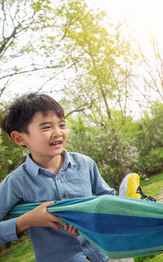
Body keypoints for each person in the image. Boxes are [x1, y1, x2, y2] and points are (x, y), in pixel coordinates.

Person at [0, 92, 115, 262]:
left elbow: (109, 202)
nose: (58, 133)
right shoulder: (16, 182)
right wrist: (27, 220)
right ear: (20, 138)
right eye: (46, 127)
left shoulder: (85, 164)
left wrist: (91, 221)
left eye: (61, 125)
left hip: (109, 254)